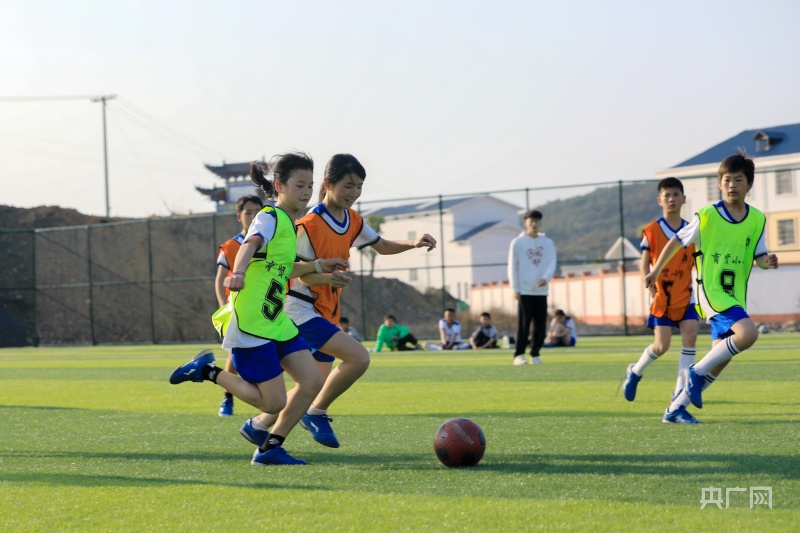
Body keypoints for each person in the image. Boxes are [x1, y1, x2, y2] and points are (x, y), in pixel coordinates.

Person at [169, 153, 348, 465]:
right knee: (273, 402)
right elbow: (250, 244)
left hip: (276, 320)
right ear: (279, 186)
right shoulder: (269, 216)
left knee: (312, 381)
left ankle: (270, 448)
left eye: (309, 185)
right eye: (299, 185)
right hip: (252, 322)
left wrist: (321, 267)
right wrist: (237, 272)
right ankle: (207, 371)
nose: (306, 192)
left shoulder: (290, 225)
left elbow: (284, 269)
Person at [248, 154, 436, 449]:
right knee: (358, 359)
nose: (354, 192)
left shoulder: (353, 219)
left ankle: (260, 427)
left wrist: (413, 243)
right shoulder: (308, 224)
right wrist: (327, 279)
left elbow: (383, 246)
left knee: (313, 386)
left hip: (325, 313)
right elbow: (301, 277)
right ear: (328, 184)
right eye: (348, 185)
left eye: (359, 186)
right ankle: (313, 415)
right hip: (300, 309)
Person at [644, 150, 779, 424]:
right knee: (748, 334)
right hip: (711, 292)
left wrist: (769, 262)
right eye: (726, 180)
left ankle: (675, 410)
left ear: (749, 184)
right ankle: (693, 372)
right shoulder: (707, 215)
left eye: (738, 179)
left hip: (734, 295)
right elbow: (677, 241)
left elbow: (760, 257)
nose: (731, 185)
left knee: (720, 360)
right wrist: (655, 270)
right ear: (719, 183)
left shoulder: (757, 219)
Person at [621, 178, 698, 417]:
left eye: (676, 194)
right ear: (659, 200)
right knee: (662, 346)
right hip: (662, 295)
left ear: (684, 199)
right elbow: (644, 263)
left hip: (686, 294)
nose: (672, 199)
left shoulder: (692, 229)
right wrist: (651, 289)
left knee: (691, 337)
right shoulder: (652, 230)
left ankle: (678, 392)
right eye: (667, 195)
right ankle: (635, 371)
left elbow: (698, 262)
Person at [213, 194, 264, 417]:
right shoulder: (230, 246)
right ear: (239, 216)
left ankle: (267, 396)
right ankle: (227, 397)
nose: (253, 216)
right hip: (238, 309)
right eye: (248, 212)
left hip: (264, 308)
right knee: (234, 354)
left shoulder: (269, 241)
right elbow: (219, 280)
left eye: (257, 212)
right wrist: (223, 308)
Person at [507, 210, 557, 365]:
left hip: (541, 291)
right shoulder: (517, 242)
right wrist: (515, 288)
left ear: (540, 223)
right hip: (525, 291)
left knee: (540, 325)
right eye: (531, 222)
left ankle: (535, 354)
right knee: (524, 325)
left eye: (537, 221)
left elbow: (552, 262)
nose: (534, 224)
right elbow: (512, 266)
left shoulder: (547, 243)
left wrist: (546, 278)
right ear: (526, 223)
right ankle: (519, 355)